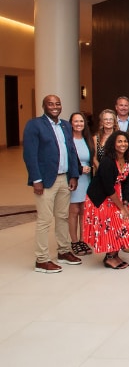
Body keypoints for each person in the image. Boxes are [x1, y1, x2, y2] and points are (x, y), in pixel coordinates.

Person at [23, 95, 82, 272]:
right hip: (46, 180)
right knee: (44, 219)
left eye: (57, 104)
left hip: (64, 178)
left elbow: (71, 151)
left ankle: (64, 251)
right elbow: (30, 154)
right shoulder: (34, 125)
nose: (54, 107)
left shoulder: (65, 125)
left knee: (63, 216)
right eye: (50, 104)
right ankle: (41, 259)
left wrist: (74, 175)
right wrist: (36, 179)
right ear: (44, 106)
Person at [82, 130, 129, 269]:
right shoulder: (108, 161)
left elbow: (126, 182)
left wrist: (125, 202)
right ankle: (109, 257)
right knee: (112, 224)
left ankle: (114, 254)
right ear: (113, 144)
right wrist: (121, 208)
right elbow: (108, 188)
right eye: (119, 141)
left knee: (125, 222)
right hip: (101, 198)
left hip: (117, 195)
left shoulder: (127, 159)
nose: (123, 144)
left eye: (125, 141)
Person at [68, 112, 94, 256]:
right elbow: (68, 160)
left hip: (86, 179)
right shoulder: (68, 140)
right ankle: (74, 241)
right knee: (74, 211)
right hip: (74, 178)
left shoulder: (87, 140)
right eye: (76, 121)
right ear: (71, 123)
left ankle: (83, 240)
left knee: (84, 211)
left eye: (81, 121)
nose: (78, 124)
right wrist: (79, 169)